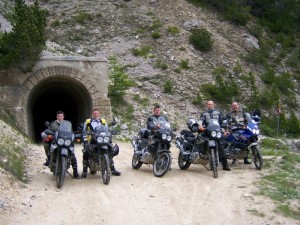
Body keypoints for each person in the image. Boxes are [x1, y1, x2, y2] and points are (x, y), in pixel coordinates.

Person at [81, 108, 121, 178]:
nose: (96, 114)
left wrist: (111, 133)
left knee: (110, 151)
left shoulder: (103, 121)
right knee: (86, 152)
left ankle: (113, 170)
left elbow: (107, 129)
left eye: (97, 113)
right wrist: (85, 138)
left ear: (99, 114)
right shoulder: (88, 121)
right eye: (94, 113)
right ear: (92, 114)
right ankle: (84, 171)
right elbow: (84, 130)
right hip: (92, 139)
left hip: (101, 139)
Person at [41, 111, 80, 179]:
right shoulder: (52, 123)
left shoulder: (67, 124)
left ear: (63, 117)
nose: (60, 117)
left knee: (72, 154)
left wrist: (74, 137)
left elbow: (71, 133)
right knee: (47, 145)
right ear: (56, 117)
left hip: (65, 141)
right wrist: (49, 134)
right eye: (58, 116)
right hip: (56, 140)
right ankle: (49, 158)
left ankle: (75, 172)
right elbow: (48, 131)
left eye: (61, 116)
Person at [200, 100, 231, 171]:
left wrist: (224, 128)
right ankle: (206, 159)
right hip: (207, 132)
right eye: (208, 104)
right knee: (203, 142)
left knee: (221, 146)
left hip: (217, 132)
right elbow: (201, 122)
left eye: (211, 104)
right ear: (207, 105)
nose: (210, 105)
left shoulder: (218, 112)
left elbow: (222, 121)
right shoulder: (204, 113)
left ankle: (225, 165)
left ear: (213, 105)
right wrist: (201, 126)